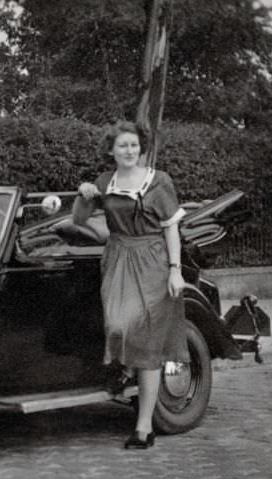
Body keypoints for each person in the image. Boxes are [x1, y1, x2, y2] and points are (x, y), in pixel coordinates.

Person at [72, 120, 189, 449]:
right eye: (122, 146)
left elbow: (170, 228)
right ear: (111, 150)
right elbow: (79, 220)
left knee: (145, 338)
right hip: (118, 258)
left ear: (141, 148)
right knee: (118, 326)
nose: (129, 151)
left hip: (152, 259)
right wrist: (84, 195)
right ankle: (128, 371)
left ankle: (143, 427)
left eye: (134, 145)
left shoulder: (159, 181)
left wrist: (174, 270)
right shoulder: (104, 181)